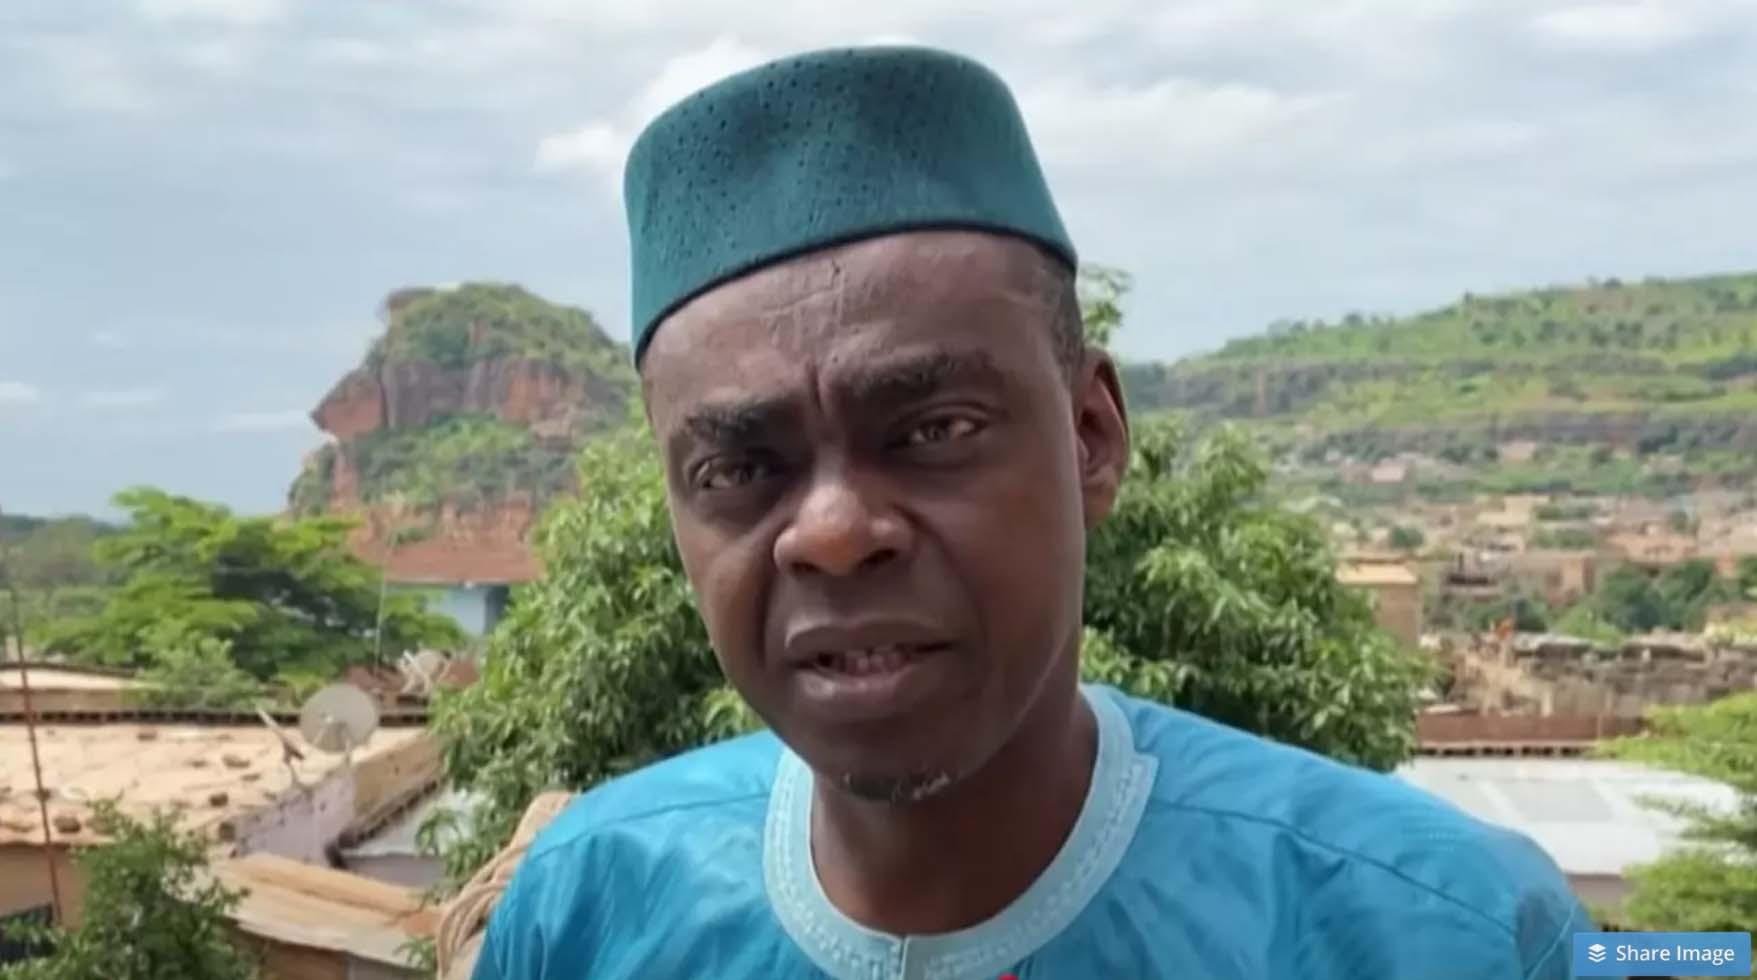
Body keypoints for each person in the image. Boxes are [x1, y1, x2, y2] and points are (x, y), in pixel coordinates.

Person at [472, 45, 1598, 979]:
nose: (832, 533)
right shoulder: (585, 912)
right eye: (738, 468)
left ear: (1090, 437)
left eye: (933, 429)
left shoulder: (1449, 935)